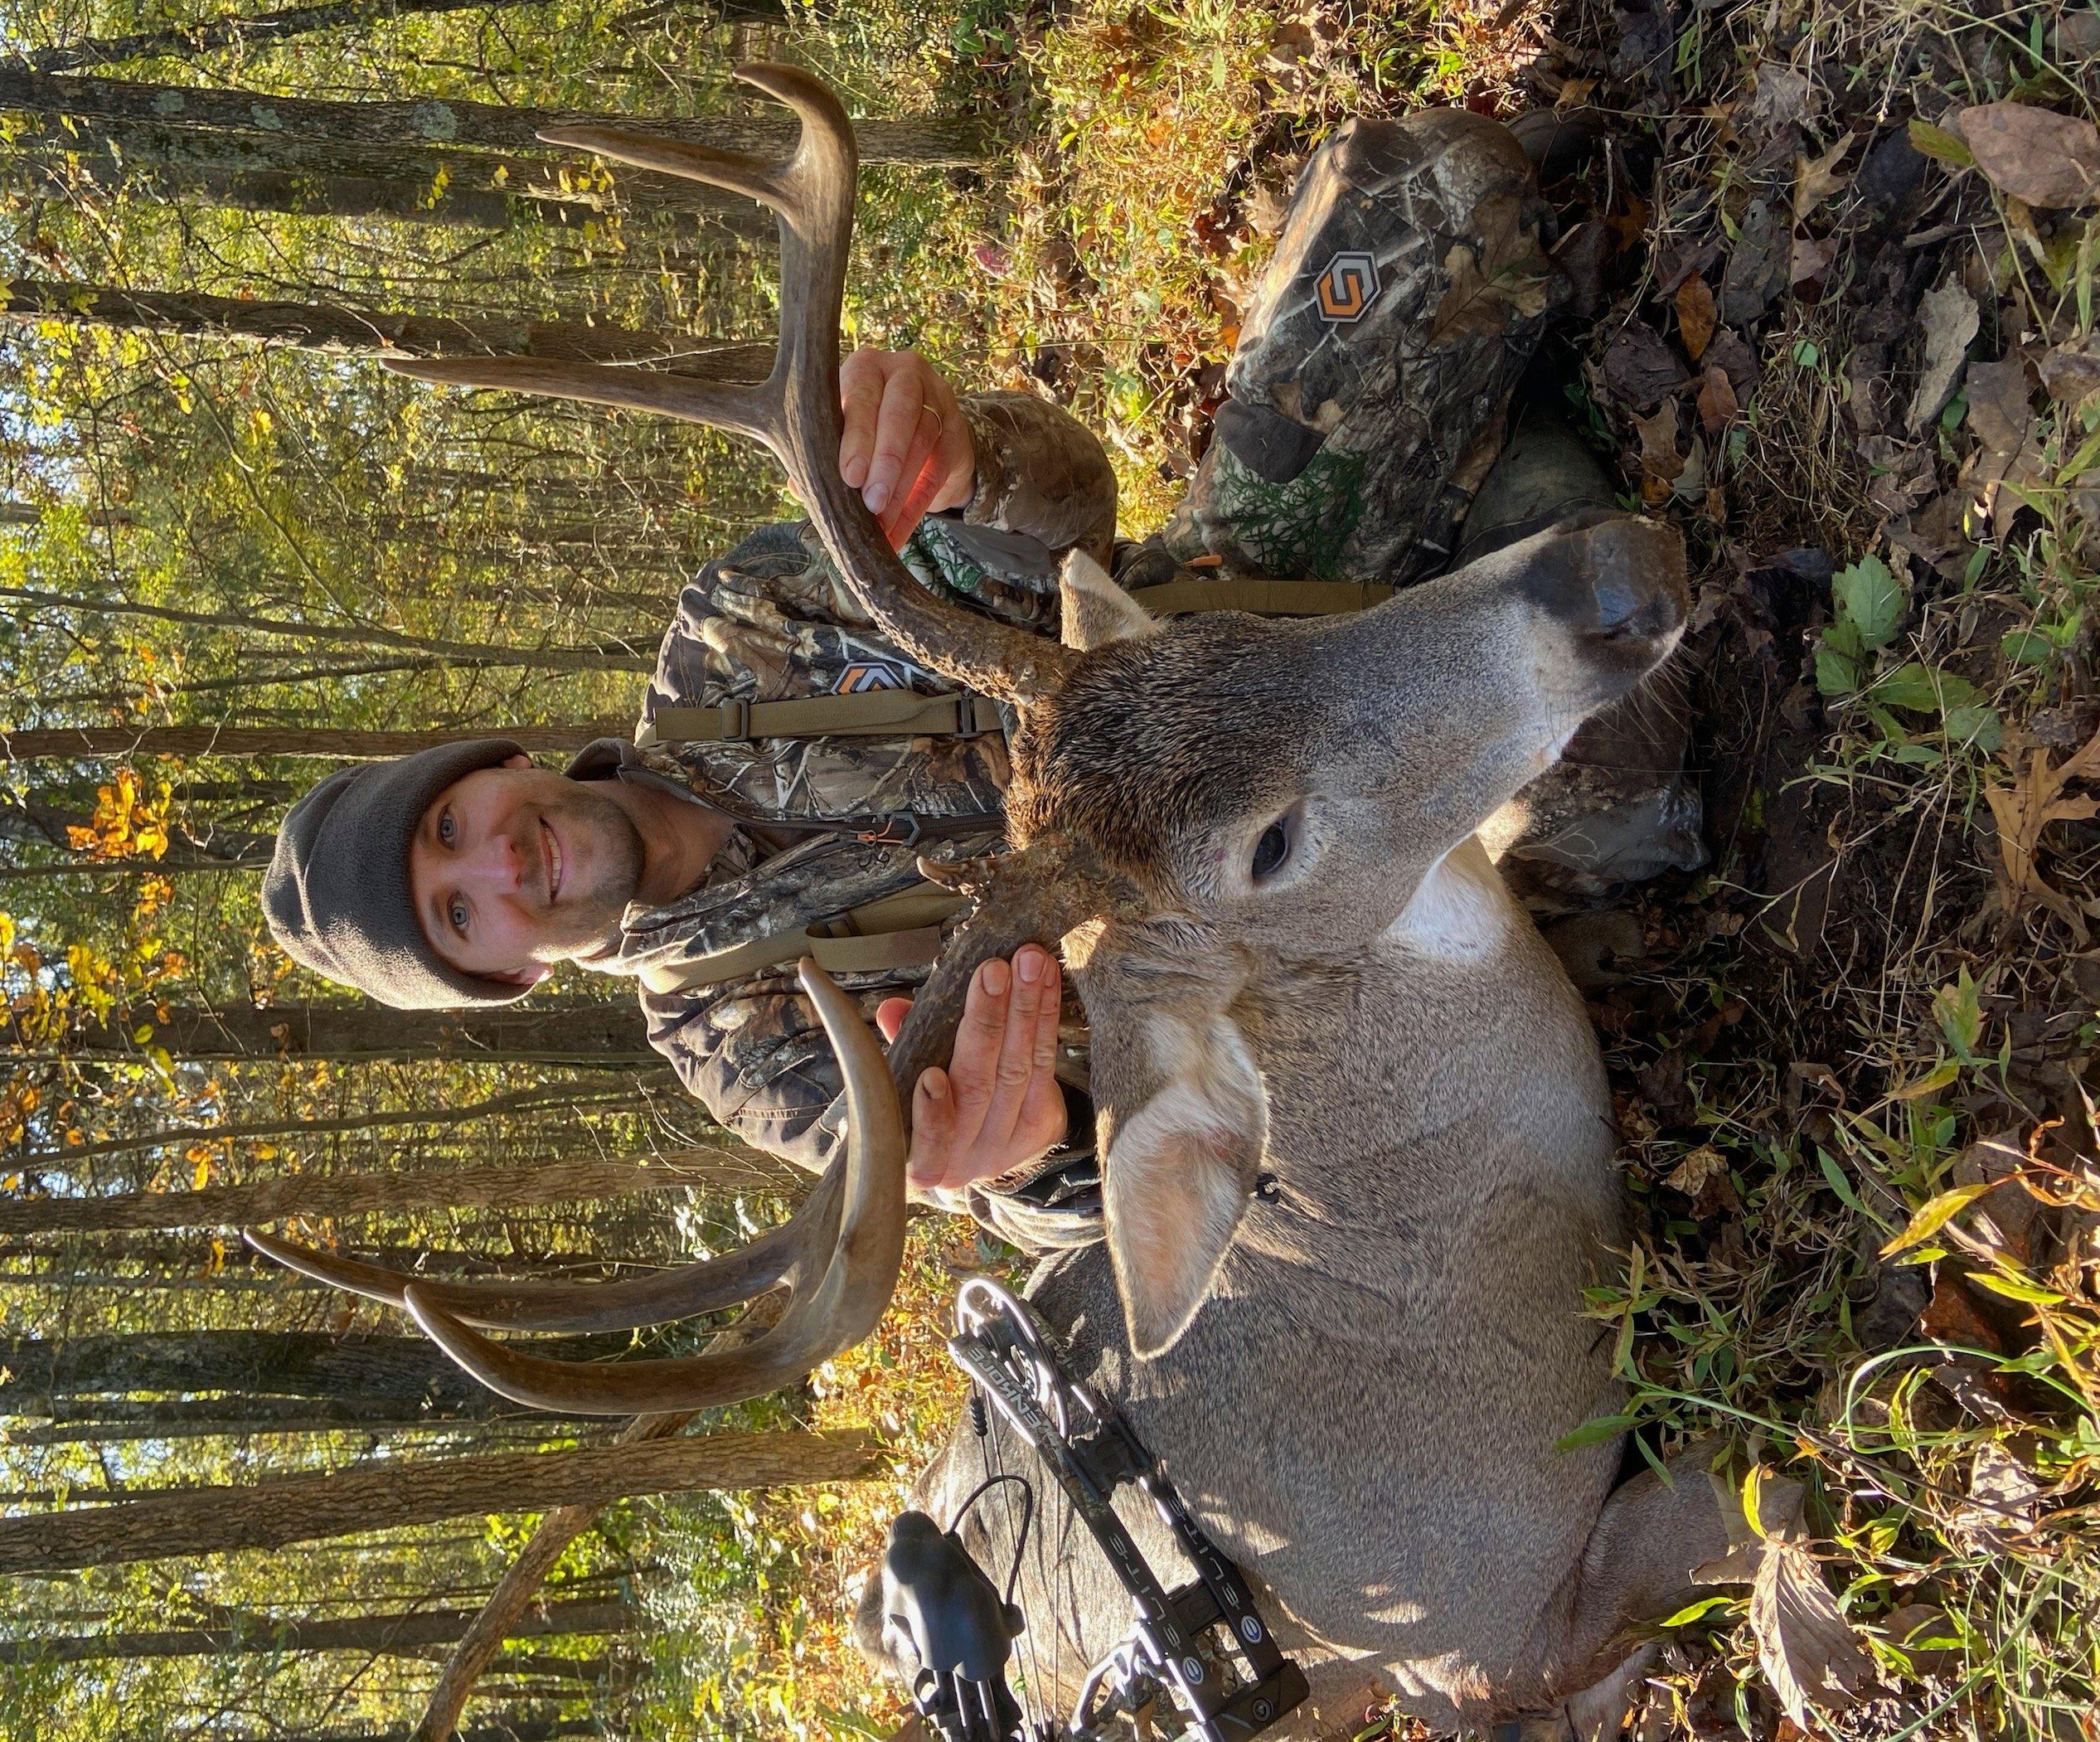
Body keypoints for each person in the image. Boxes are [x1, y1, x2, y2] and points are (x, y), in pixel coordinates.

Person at [260, 109, 1700, 1252]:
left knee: (1437, 187)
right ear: (504, 970)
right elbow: (1113, 1199)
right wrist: (1033, 1157)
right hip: (1337, 889)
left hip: (1249, 608)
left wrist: (968, 460)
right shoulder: (759, 1059)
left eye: (450, 822)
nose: (496, 862)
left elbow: (1077, 507)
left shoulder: (736, 623)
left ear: (487, 765)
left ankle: (1489, 507)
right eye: (462, 914)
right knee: (1628, 767)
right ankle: (1508, 501)